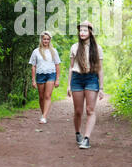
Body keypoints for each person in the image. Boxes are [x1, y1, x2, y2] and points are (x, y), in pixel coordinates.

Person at [67, 20, 104, 149]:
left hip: (91, 78)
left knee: (90, 110)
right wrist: (68, 86)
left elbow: (100, 68)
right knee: (78, 111)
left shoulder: (97, 48)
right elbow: (71, 67)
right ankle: (78, 133)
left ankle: (87, 138)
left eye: (85, 30)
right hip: (77, 78)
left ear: (90, 32)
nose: (82, 32)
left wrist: (101, 87)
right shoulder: (74, 47)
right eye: (80, 30)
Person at [29, 31, 61, 124]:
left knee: (47, 96)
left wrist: (57, 79)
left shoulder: (53, 51)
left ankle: (44, 116)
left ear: (50, 40)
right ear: (41, 39)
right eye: (44, 39)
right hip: (40, 75)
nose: (46, 41)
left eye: (47, 39)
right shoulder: (36, 51)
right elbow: (33, 66)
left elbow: (57, 65)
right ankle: (44, 114)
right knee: (41, 97)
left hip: (51, 74)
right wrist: (33, 80)